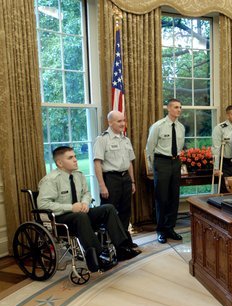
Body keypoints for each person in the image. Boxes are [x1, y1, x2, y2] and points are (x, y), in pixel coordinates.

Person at [37, 146, 141, 272]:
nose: (75, 160)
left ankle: (121, 248)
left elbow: (86, 193)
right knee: (81, 216)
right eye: (71, 158)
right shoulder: (51, 180)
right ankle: (97, 256)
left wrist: (85, 203)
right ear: (60, 163)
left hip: (81, 212)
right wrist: (71, 207)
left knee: (108, 208)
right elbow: (43, 204)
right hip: (61, 217)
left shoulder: (78, 175)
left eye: (75, 156)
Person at [93, 110, 137, 248]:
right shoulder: (102, 139)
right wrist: (102, 186)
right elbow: (97, 163)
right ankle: (109, 243)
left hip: (125, 179)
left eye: (123, 120)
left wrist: (133, 181)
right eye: (119, 121)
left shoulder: (126, 139)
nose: (123, 123)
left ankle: (124, 241)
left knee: (125, 211)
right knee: (110, 212)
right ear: (110, 122)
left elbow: (129, 162)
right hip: (111, 179)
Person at [146, 98, 185, 244]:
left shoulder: (181, 127)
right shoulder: (158, 126)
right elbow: (149, 148)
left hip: (175, 162)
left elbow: (180, 146)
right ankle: (161, 230)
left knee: (174, 197)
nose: (179, 110)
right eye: (176, 107)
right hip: (161, 162)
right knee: (162, 198)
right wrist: (154, 166)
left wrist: (178, 161)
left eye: (180, 107)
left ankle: (170, 228)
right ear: (168, 108)